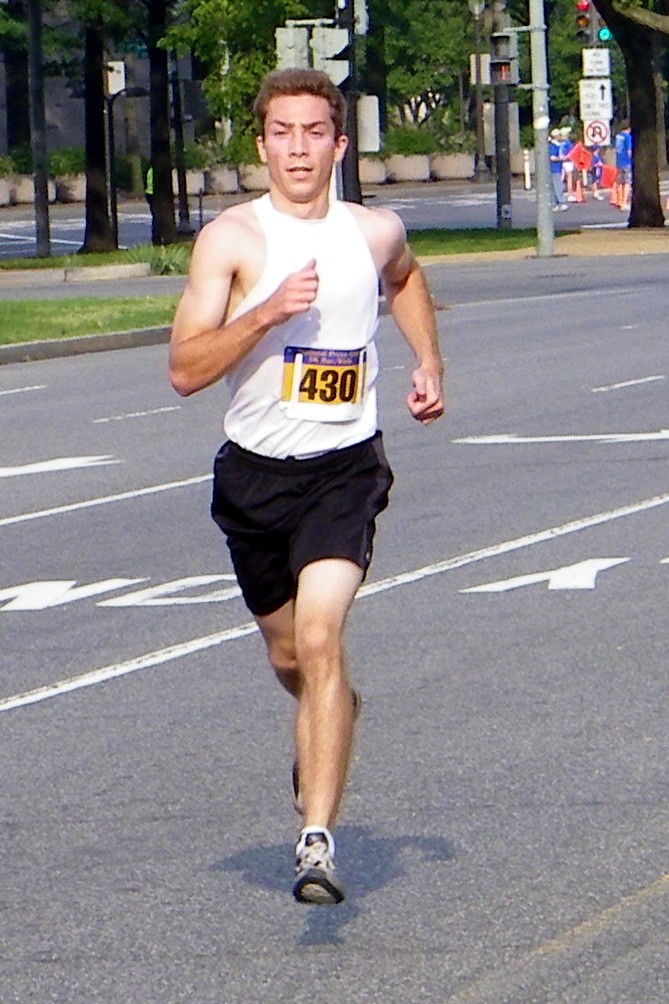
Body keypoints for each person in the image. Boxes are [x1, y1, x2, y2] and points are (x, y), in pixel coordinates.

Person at [168, 67, 444, 906]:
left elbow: (405, 277)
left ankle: (315, 839)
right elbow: (183, 370)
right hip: (253, 475)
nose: (297, 148)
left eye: (313, 132)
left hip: (343, 468)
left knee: (320, 637)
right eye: (281, 132)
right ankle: (330, 709)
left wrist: (428, 360)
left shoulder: (373, 230)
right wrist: (264, 314)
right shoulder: (232, 242)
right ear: (261, 145)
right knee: (291, 655)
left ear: (338, 143)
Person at [614, 120, 633, 212]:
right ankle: (624, 203)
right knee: (627, 183)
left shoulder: (618, 136)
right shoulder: (627, 136)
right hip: (626, 162)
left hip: (619, 162)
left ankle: (620, 201)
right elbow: (629, 151)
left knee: (619, 183)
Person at [549, 128, 567, 211]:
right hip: (554, 169)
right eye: (559, 135)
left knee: (554, 186)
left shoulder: (557, 145)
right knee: (558, 186)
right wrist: (562, 159)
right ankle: (561, 202)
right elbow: (552, 158)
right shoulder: (553, 146)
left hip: (557, 168)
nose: (561, 137)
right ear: (556, 136)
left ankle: (555, 204)